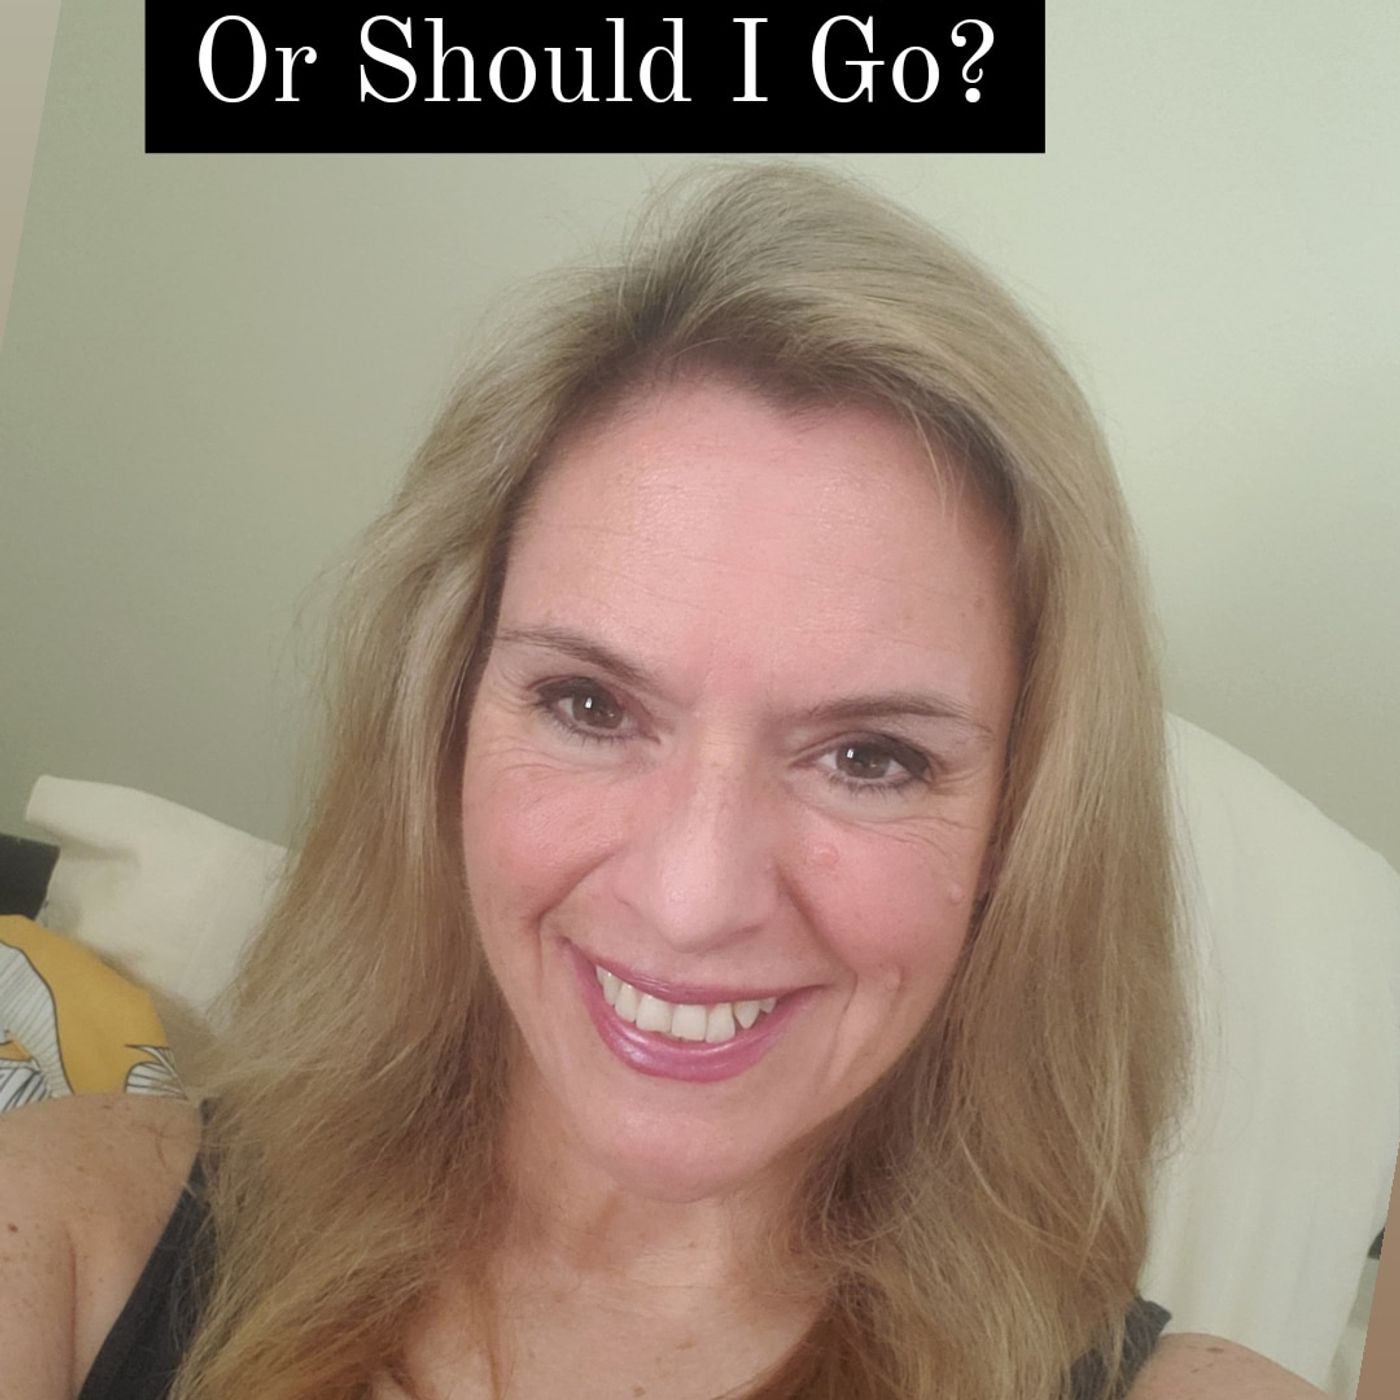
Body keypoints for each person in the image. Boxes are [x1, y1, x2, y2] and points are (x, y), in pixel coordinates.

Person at [1, 162, 1328, 1400]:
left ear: (1019, 833)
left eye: (871, 758)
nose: (692, 900)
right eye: (590, 705)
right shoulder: (65, 1237)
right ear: (442, 727)